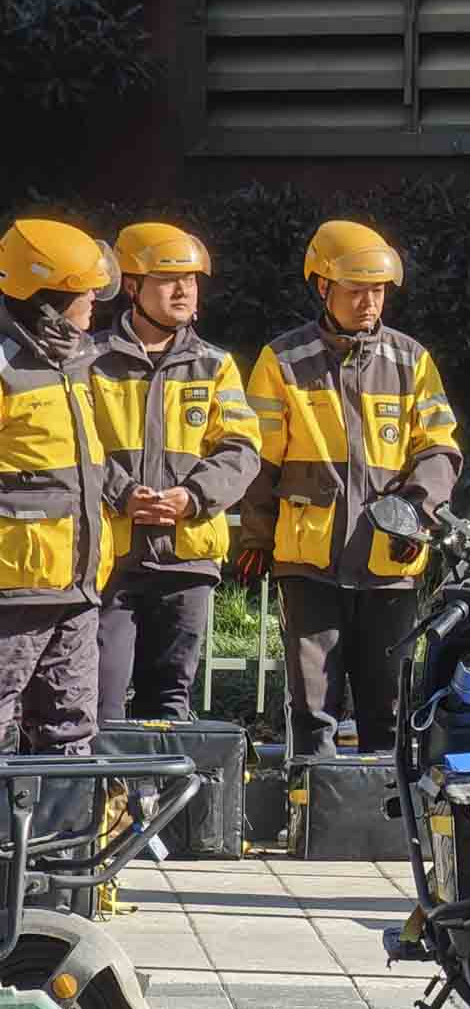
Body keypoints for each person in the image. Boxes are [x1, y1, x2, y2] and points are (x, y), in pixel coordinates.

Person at [237, 220, 462, 759]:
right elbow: (259, 460)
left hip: (390, 563)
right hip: (308, 561)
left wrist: (416, 514)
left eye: (378, 290)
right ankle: (310, 815)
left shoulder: (411, 360)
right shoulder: (282, 362)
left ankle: (388, 822)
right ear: (322, 286)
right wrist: (254, 537)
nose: (369, 303)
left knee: (389, 706)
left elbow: (439, 449)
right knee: (313, 707)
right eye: (356, 290)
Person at [89, 222, 261, 724]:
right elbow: (76, 449)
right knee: (102, 705)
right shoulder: (90, 361)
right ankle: (109, 805)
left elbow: (242, 449)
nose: (184, 289)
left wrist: (192, 497)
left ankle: (158, 805)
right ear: (132, 286)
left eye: (191, 278)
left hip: (186, 563)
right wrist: (121, 493)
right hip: (112, 562)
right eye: (168, 279)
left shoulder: (216, 366)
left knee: (168, 708)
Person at [0, 219, 121, 755]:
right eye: (83, 291)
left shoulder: (75, 362)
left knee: (70, 733)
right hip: (14, 592)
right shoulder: (6, 366)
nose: (95, 300)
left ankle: (61, 840)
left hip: (76, 587)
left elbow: (84, 467)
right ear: (49, 299)